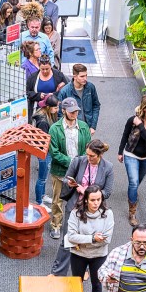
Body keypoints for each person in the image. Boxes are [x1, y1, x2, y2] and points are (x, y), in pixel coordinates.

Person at [51, 139, 114, 277]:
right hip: (75, 206)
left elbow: (107, 192)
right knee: (68, 239)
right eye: (87, 154)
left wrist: (89, 193)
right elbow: (67, 178)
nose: (88, 158)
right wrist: (72, 183)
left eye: (92, 156)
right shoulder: (78, 161)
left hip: (94, 210)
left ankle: (84, 268)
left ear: (100, 155)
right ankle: (57, 272)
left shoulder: (108, 167)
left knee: (88, 239)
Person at [66, 186, 115, 292]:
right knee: (77, 282)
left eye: (99, 199)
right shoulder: (76, 213)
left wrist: (83, 240)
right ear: (86, 200)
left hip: (98, 255)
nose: (96, 203)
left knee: (97, 283)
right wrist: (93, 238)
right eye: (93, 200)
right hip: (78, 254)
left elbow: (107, 239)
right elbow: (71, 236)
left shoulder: (108, 214)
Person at [47, 97, 91, 240]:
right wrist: (72, 162)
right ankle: (56, 225)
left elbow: (88, 149)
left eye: (76, 111)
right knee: (57, 200)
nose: (74, 114)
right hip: (60, 171)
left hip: (79, 171)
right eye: (71, 112)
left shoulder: (84, 127)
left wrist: (80, 163)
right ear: (63, 111)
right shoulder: (55, 129)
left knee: (79, 201)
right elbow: (54, 152)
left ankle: (76, 227)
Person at [118, 94, 146, 227]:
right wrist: (120, 152)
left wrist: (141, 126)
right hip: (131, 154)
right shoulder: (132, 120)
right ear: (144, 108)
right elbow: (125, 135)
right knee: (133, 182)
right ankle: (132, 212)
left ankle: (133, 193)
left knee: (138, 182)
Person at [57, 64, 100, 134]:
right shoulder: (64, 91)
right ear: (75, 77)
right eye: (82, 76)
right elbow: (60, 113)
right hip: (71, 129)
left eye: (86, 75)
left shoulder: (90, 87)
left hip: (87, 128)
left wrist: (93, 126)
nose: (85, 78)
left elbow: (96, 106)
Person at [33, 94, 60, 206]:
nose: (57, 110)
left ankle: (42, 196)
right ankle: (39, 202)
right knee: (42, 178)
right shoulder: (44, 121)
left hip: (45, 151)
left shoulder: (44, 115)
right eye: (55, 108)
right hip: (44, 152)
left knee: (44, 177)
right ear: (48, 107)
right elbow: (44, 141)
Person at [26, 53, 67, 121]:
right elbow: (27, 93)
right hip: (39, 110)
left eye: (47, 69)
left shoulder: (59, 75)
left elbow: (66, 90)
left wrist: (54, 94)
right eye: (42, 69)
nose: (45, 71)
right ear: (39, 67)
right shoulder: (33, 78)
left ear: (51, 66)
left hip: (55, 109)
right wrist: (39, 95)